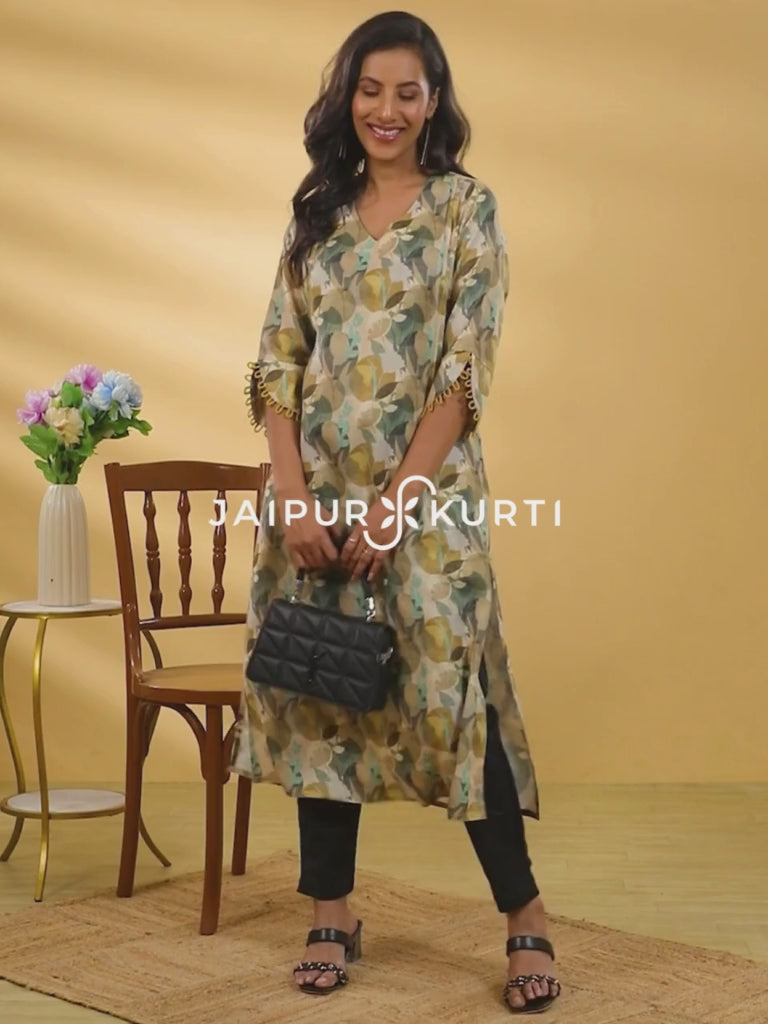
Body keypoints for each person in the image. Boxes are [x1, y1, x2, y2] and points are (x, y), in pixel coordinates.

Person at [230, 10, 562, 1015]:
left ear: (433, 101)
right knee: (321, 687)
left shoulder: (466, 210)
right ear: (348, 98)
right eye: (370, 90)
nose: (386, 109)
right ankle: (330, 911)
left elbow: (464, 372)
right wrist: (292, 495)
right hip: (312, 503)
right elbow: (276, 361)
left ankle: (527, 916)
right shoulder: (318, 214)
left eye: (406, 93)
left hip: (428, 506)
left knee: (455, 696)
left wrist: (394, 509)